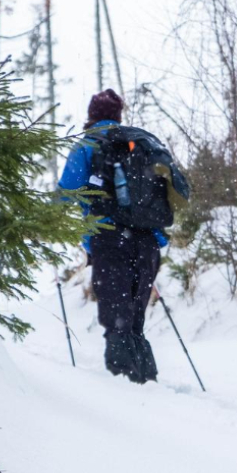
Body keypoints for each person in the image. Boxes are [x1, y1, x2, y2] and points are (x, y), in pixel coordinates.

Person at [59, 89, 182, 384]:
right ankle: (146, 385)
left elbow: (66, 191)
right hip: (148, 242)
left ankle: (125, 398)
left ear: (91, 115)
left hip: (110, 239)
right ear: (118, 114)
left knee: (117, 321)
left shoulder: (89, 144)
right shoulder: (141, 142)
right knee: (134, 322)